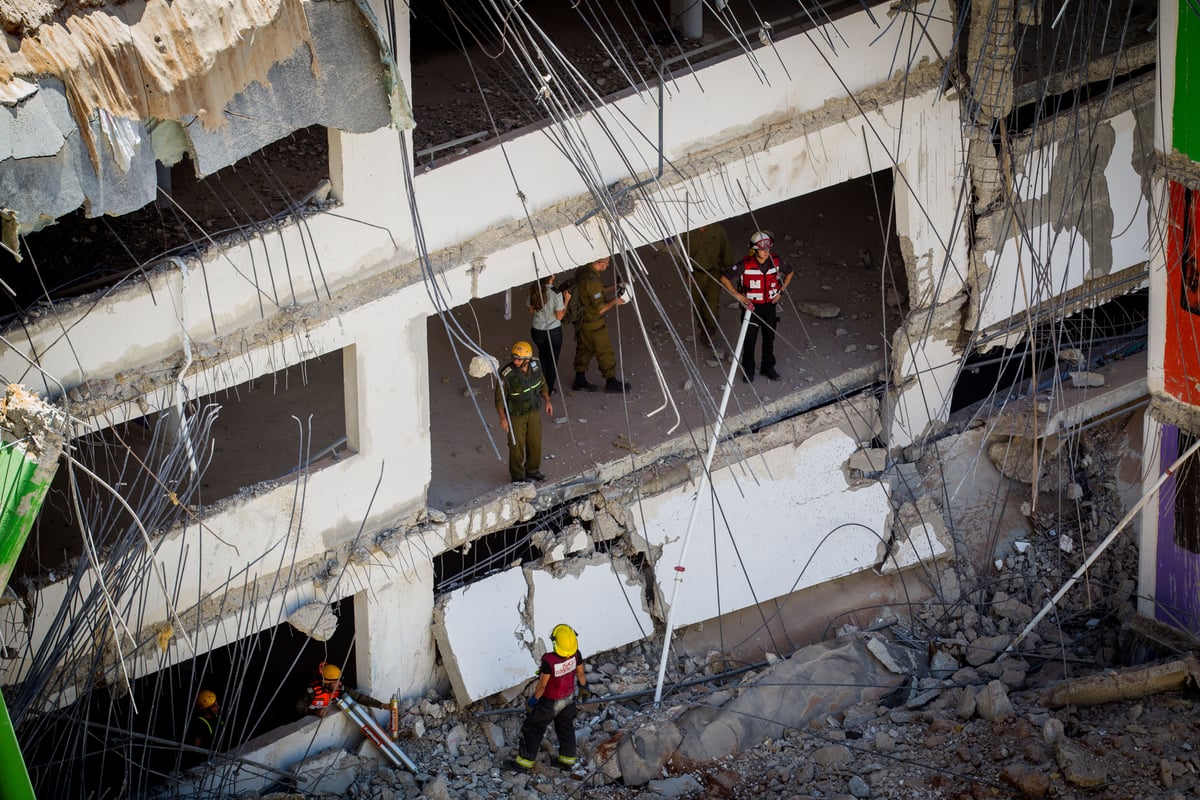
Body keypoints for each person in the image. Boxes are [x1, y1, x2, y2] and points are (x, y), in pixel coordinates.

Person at [511, 623, 591, 772]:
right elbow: (580, 674)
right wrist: (584, 688)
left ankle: (523, 763)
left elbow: (542, 686)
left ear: (555, 643)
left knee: (533, 728)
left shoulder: (549, 661)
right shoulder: (576, 654)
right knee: (565, 727)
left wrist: (533, 702)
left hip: (550, 703)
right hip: (568, 700)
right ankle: (567, 761)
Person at [721, 230, 794, 382]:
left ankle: (768, 367)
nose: (766, 252)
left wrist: (781, 292)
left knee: (769, 338)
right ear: (755, 249)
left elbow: (790, 272)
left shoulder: (776, 260)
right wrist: (738, 296)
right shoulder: (745, 264)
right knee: (749, 339)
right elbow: (725, 278)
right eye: (762, 249)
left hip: (769, 306)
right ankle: (749, 369)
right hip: (751, 308)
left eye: (768, 249)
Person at [571, 256, 632, 393]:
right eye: (607, 263)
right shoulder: (592, 281)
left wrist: (614, 287)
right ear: (599, 262)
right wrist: (615, 301)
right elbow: (600, 308)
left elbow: (596, 292)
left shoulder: (584, 271)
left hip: (583, 321)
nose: (607, 265)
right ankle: (611, 381)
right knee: (604, 350)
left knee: (584, 349)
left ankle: (579, 379)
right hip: (593, 322)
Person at [495, 341, 554, 484]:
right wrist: (503, 418)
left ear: (527, 359)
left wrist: (547, 400)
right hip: (516, 415)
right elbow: (499, 398)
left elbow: (542, 383)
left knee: (535, 443)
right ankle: (517, 476)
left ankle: (533, 471)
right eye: (514, 358)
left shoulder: (536, 366)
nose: (515, 361)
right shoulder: (506, 374)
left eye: (519, 359)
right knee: (516, 446)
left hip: (533, 411)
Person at [683, 222, 733, 350]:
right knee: (698, 304)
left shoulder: (717, 229)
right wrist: (686, 272)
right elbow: (682, 253)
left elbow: (725, 249)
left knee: (711, 305)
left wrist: (729, 272)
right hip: (695, 274)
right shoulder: (688, 231)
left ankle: (711, 331)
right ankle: (703, 329)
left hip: (713, 273)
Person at [296, 662, 390, 718]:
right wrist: (315, 712)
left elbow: (358, 697)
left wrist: (380, 705)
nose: (340, 684)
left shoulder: (340, 690)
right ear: (326, 683)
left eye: (339, 681)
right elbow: (299, 709)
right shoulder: (312, 693)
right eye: (336, 682)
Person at [528, 275, 570, 395]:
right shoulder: (556, 293)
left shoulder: (533, 290)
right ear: (552, 277)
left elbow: (531, 311)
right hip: (553, 331)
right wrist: (566, 300)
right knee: (552, 361)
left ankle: (540, 385)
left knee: (543, 357)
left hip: (537, 330)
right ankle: (548, 389)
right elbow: (559, 316)